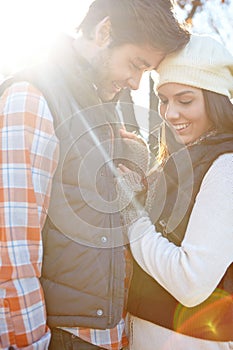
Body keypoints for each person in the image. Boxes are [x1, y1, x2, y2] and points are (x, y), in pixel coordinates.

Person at [0, 0, 190, 349]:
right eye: (136, 64)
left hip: (108, 336)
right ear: (104, 32)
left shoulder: (94, 107)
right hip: (61, 338)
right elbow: (11, 252)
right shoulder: (32, 98)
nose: (135, 83)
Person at [117, 34, 233, 349]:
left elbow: (191, 282)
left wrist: (131, 212)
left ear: (216, 99)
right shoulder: (184, 161)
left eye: (185, 100)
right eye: (164, 100)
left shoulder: (225, 167)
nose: (170, 114)